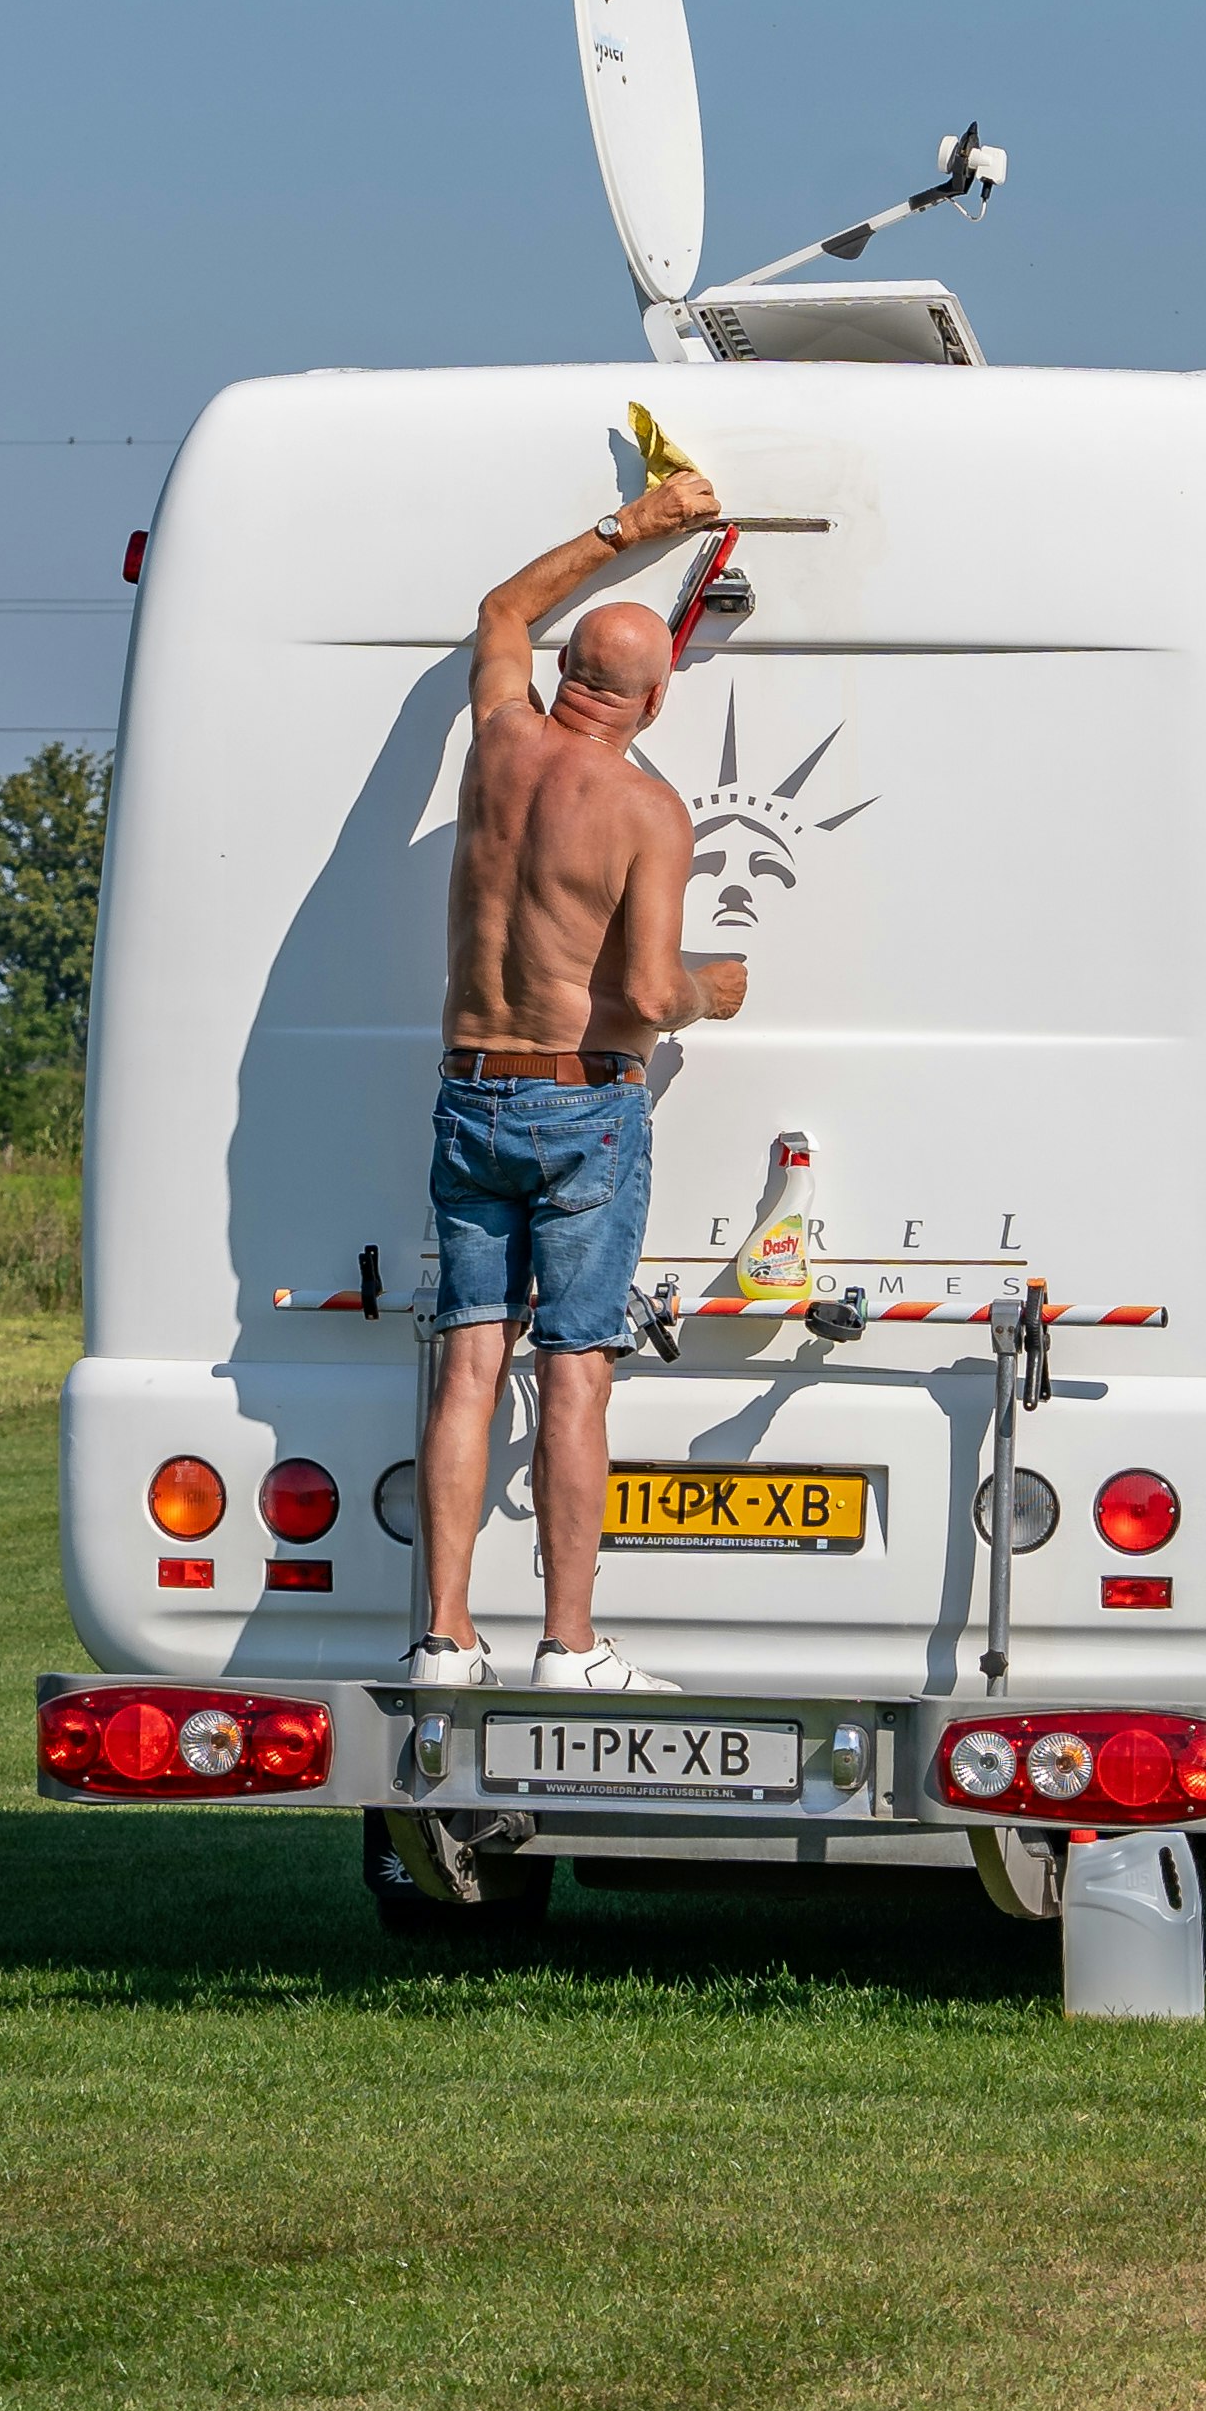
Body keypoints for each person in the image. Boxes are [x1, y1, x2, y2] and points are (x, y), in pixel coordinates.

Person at [405, 462, 752, 1693]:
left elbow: (502, 608)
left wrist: (632, 526)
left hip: (470, 1086)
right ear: (655, 702)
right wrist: (714, 986)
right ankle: (568, 1643)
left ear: (564, 674)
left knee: (467, 1365)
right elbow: (649, 995)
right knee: (574, 1369)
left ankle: (445, 1636)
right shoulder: (647, 811)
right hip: (580, 1105)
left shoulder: (497, 745)